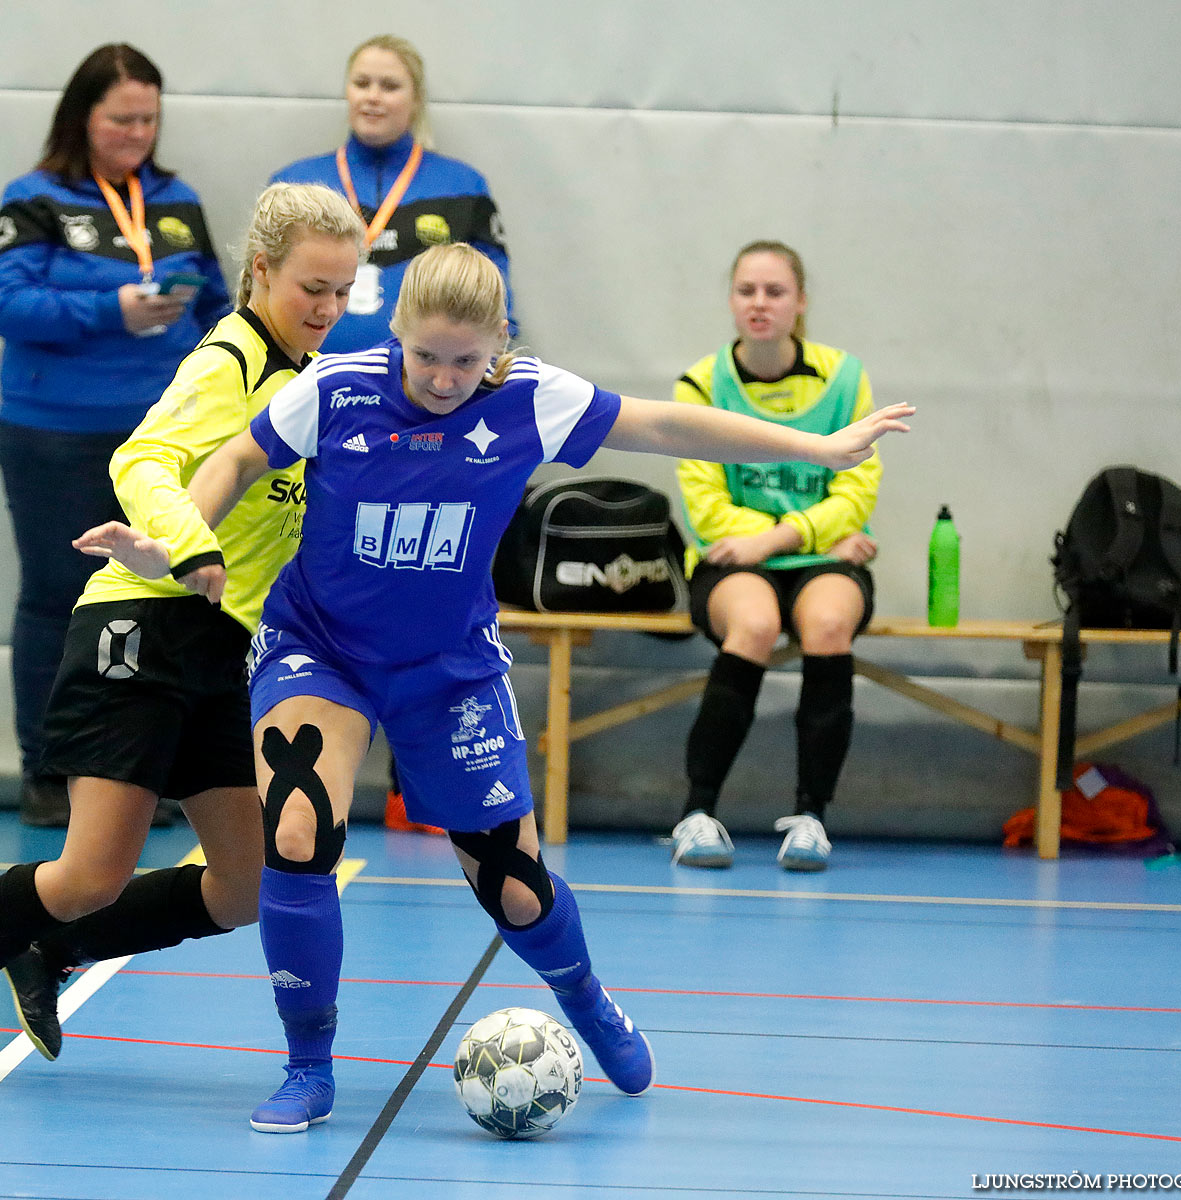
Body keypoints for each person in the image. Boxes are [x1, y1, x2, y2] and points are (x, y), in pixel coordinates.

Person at [84, 243, 911, 1131]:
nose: (443, 378)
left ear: (499, 345)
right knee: (296, 826)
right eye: (426, 355)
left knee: (513, 883)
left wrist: (818, 448)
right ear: (397, 333)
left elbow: (666, 426)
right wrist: (177, 539)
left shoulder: (532, 399)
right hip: (320, 647)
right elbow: (237, 461)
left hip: (450, 667)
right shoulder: (335, 391)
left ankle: (590, 1001)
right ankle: (307, 1063)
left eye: (466, 360)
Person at [0, 183, 367, 1084]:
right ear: (260, 272)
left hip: (229, 649)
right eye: (313, 289)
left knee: (245, 884)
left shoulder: (312, 379)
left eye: (344, 292)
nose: (330, 311)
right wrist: (186, 547)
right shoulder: (229, 361)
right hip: (142, 628)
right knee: (88, 872)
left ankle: (55, 948)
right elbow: (142, 459)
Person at [0, 43, 233, 826]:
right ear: (82, 115)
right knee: (58, 599)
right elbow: (6, 305)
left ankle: (134, 775)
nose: (136, 132)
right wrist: (112, 309)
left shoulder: (178, 200)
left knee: (156, 599)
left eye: (148, 119)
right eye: (121, 117)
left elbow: (220, 309)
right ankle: (47, 774)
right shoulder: (35, 200)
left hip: (160, 441)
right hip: (55, 435)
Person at [272, 33, 512, 833]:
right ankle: (296, 772)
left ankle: (419, 785)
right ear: (346, 93)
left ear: (416, 98)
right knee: (321, 585)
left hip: (431, 428)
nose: (374, 97)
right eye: (361, 83)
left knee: (414, 576)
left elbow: (489, 306)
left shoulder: (461, 188)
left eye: (390, 85)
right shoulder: (299, 185)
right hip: (324, 428)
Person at [667, 240, 885, 874]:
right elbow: (705, 504)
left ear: (801, 303)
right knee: (756, 625)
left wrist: (779, 538)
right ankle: (697, 811)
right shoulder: (701, 384)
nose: (760, 304)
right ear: (732, 302)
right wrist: (798, 535)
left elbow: (857, 489)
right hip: (735, 556)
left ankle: (811, 817)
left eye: (775, 292)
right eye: (747, 291)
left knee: (827, 624)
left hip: (809, 553)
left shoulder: (845, 378)